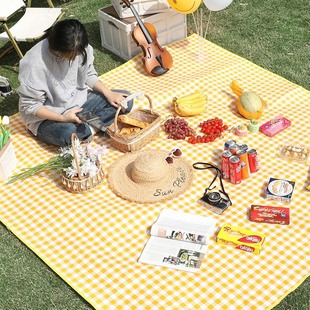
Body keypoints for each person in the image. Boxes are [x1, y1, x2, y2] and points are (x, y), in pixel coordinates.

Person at [17, 19, 133, 147]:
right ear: (56, 48)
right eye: (68, 57)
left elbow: (88, 74)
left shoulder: (80, 47)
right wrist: (63, 118)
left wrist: (109, 93)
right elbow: (31, 106)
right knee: (66, 133)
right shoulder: (33, 64)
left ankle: (89, 130)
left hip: (80, 105)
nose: (72, 60)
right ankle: (95, 127)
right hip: (50, 117)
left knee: (125, 99)